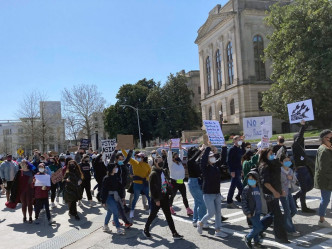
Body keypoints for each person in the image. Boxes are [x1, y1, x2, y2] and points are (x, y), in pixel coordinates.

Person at [143, 156, 183, 240]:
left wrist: (169, 190)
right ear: (155, 163)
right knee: (153, 215)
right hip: (157, 198)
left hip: (164, 196)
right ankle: (146, 229)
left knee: (168, 215)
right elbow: (152, 188)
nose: (161, 162)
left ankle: (174, 233)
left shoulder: (163, 171)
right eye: (159, 161)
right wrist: (156, 200)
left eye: (162, 161)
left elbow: (166, 182)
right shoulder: (153, 174)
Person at [258, 148, 289, 243]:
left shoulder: (273, 164)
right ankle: (280, 237)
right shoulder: (265, 166)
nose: (272, 155)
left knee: (272, 215)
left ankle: (257, 229)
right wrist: (275, 192)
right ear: (265, 155)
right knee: (277, 215)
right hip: (270, 194)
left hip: (275, 192)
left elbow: (276, 180)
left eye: (273, 153)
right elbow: (266, 183)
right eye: (270, 153)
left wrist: (280, 190)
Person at [197, 144, 228, 238]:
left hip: (217, 193)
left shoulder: (216, 166)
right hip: (208, 194)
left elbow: (222, 159)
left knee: (218, 212)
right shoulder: (205, 168)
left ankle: (218, 230)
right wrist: (208, 148)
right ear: (207, 158)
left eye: (213, 156)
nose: (213, 158)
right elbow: (202, 161)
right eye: (211, 157)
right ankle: (201, 223)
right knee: (211, 213)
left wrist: (224, 147)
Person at [242, 171, 271, 249]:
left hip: (258, 211)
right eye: (249, 179)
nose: (250, 180)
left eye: (252, 179)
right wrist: (247, 212)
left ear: (257, 180)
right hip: (251, 212)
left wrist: (269, 197)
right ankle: (248, 237)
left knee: (256, 227)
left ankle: (256, 242)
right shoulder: (247, 189)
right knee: (259, 227)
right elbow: (244, 202)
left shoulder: (259, 188)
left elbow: (262, 196)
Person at [292, 120, 315, 213]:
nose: (303, 140)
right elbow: (300, 137)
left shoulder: (301, 147)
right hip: (300, 170)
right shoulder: (295, 145)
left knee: (310, 186)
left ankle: (295, 197)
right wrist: (303, 126)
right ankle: (303, 207)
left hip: (306, 169)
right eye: (301, 138)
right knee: (304, 189)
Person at [122, 150, 151, 218]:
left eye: (139, 157)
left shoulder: (147, 165)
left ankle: (151, 210)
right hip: (137, 184)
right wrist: (122, 149)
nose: (137, 158)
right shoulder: (134, 163)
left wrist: (146, 178)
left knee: (149, 198)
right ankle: (132, 211)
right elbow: (127, 156)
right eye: (137, 156)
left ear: (143, 158)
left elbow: (150, 174)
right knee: (135, 198)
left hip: (145, 184)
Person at [278, 150, 300, 236]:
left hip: (289, 192)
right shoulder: (279, 171)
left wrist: (291, 178)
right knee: (287, 211)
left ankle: (284, 222)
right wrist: (280, 191)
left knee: (294, 210)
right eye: (285, 161)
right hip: (283, 193)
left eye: (289, 160)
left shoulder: (290, 170)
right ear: (281, 162)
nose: (288, 162)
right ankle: (290, 230)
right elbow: (277, 183)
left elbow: (295, 180)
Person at [168, 140, 193, 216]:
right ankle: (170, 207)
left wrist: (180, 146)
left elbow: (181, 153)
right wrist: (170, 146)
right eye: (175, 156)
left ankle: (188, 209)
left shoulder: (180, 163)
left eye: (177, 156)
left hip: (180, 181)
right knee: (172, 195)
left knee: (184, 196)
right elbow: (169, 156)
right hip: (174, 181)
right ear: (172, 158)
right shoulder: (171, 164)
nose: (177, 157)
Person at [314, 129, 332, 228]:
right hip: (326, 179)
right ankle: (321, 220)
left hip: (328, 178)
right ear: (324, 138)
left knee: (325, 199)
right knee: (325, 199)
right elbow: (323, 168)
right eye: (330, 137)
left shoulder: (327, 148)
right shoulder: (324, 150)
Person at [101, 163, 125, 235]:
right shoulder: (106, 178)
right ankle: (118, 228)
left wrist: (122, 197)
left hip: (115, 196)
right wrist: (103, 201)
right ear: (111, 169)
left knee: (110, 212)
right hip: (109, 197)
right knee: (115, 211)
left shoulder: (115, 176)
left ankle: (105, 226)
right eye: (115, 167)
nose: (116, 169)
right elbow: (104, 190)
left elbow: (120, 188)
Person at [187, 145, 206, 227]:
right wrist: (200, 150)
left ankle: (195, 220)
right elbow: (194, 158)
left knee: (197, 202)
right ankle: (201, 221)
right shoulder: (190, 162)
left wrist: (203, 150)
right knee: (202, 202)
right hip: (193, 182)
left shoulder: (195, 162)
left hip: (196, 182)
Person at [226, 135, 245, 208]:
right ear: (234, 141)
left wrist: (242, 143)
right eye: (238, 139)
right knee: (237, 186)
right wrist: (232, 171)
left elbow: (243, 152)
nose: (239, 140)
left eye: (240, 139)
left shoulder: (239, 149)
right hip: (234, 170)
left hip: (238, 169)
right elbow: (229, 161)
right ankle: (229, 201)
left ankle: (230, 201)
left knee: (235, 186)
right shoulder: (232, 149)